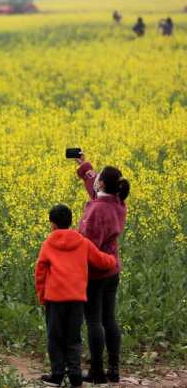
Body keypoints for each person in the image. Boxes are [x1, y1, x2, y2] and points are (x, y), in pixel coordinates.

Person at [35, 204, 117, 387]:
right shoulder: (82, 241)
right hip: (77, 299)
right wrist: (113, 260)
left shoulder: (48, 244)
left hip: (54, 299)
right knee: (74, 338)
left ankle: (57, 375)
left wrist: (42, 296)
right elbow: (102, 261)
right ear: (71, 222)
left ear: (52, 224)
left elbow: (40, 272)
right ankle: (75, 376)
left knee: (55, 337)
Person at [75, 155, 130, 384]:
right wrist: (84, 166)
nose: (94, 179)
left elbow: (89, 243)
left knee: (94, 321)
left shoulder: (97, 210)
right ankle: (114, 370)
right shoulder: (117, 201)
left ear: (103, 184)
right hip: (112, 270)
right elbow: (96, 189)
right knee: (110, 319)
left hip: (96, 272)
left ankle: (97, 372)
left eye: (98, 178)